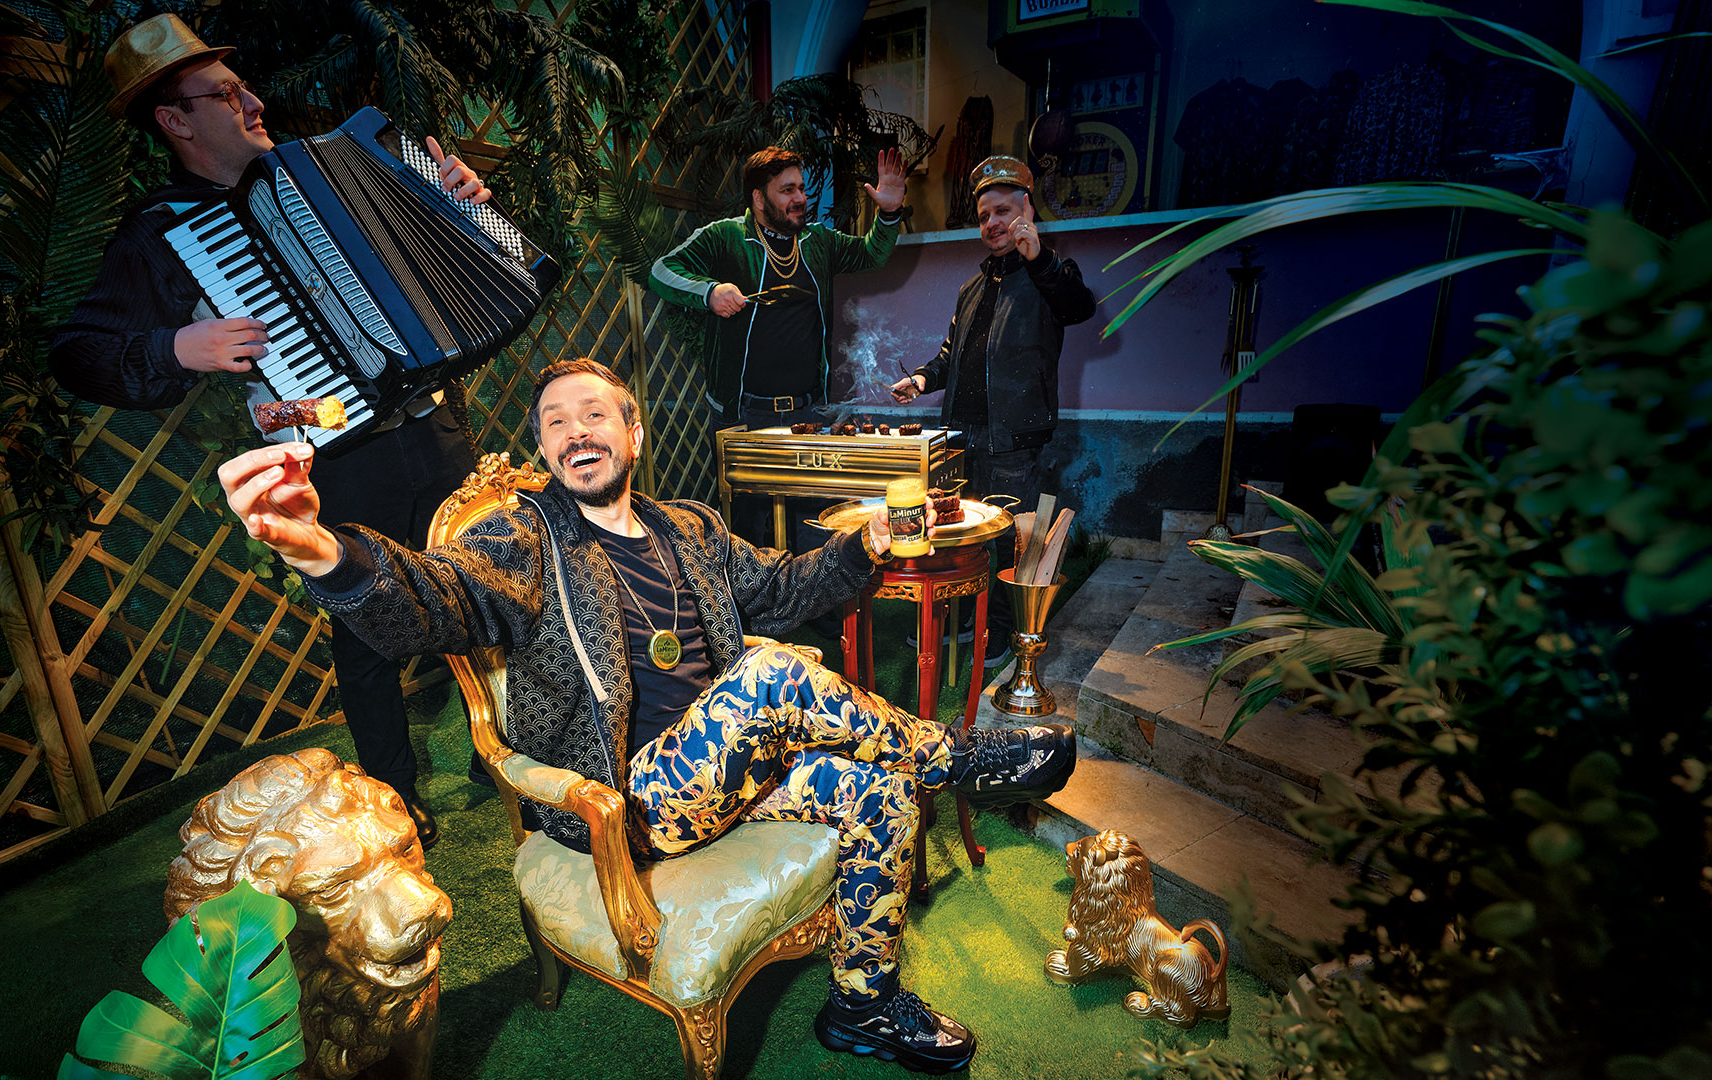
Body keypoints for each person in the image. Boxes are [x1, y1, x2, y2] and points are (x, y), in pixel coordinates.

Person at [216, 358, 1077, 1073]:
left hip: (733, 770)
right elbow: (437, 600)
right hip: (630, 797)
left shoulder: (689, 528)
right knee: (773, 675)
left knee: (879, 793)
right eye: (555, 423)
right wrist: (323, 552)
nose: (575, 432)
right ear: (545, 450)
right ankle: (957, 760)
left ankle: (863, 1003)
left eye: (594, 414)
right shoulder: (524, 539)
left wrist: (865, 547)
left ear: (633, 434)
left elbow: (781, 588)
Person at [49, 13, 496, 848]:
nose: (253, 102)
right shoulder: (162, 231)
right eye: (226, 95)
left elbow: (441, 257)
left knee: (482, 593)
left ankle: (499, 753)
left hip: (435, 425)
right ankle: (393, 799)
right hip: (337, 457)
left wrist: (466, 207)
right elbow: (78, 353)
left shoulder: (324, 171)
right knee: (364, 633)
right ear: (175, 121)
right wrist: (178, 346)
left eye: (243, 86)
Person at [650, 146, 907, 561]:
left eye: (801, 188)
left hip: (809, 415)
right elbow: (661, 270)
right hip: (744, 416)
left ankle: (817, 596)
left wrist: (890, 213)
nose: (800, 198)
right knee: (747, 534)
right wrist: (709, 292)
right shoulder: (725, 237)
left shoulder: (818, 241)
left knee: (814, 525)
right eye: (787, 190)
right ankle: (752, 600)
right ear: (758, 197)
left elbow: (870, 253)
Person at [891, 156, 1095, 664]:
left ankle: (1000, 631)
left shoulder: (1050, 274)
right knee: (959, 535)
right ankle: (964, 620)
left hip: (1014, 440)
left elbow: (1079, 306)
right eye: (984, 216)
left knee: (1009, 541)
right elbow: (951, 356)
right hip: (960, 437)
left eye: (1002, 211)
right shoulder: (971, 289)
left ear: (1027, 209)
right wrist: (922, 378)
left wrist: (1039, 257)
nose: (992, 223)